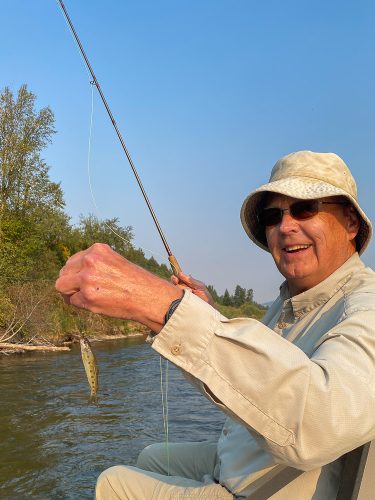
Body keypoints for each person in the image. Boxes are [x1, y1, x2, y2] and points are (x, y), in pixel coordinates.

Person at [55, 150, 375, 499]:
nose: (285, 226)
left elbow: (322, 423)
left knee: (113, 482)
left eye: (305, 208)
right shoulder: (290, 304)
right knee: (151, 455)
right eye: (272, 215)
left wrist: (163, 306)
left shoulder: (365, 303)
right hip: (246, 462)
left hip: (262, 488)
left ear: (351, 224)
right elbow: (252, 376)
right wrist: (204, 317)